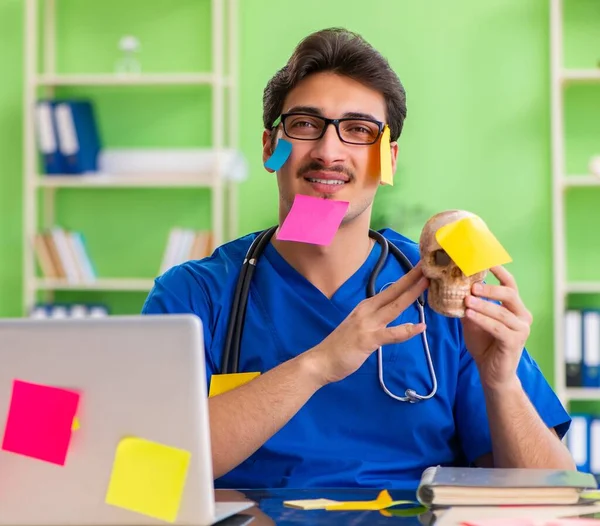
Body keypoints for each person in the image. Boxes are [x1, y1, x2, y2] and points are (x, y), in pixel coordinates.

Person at [142, 27, 575, 490]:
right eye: (305, 124)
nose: (329, 152)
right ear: (271, 148)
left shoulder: (443, 287)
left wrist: (501, 383)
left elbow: (552, 494)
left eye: (358, 130)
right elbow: (145, 470)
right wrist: (319, 364)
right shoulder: (195, 293)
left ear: (387, 159)